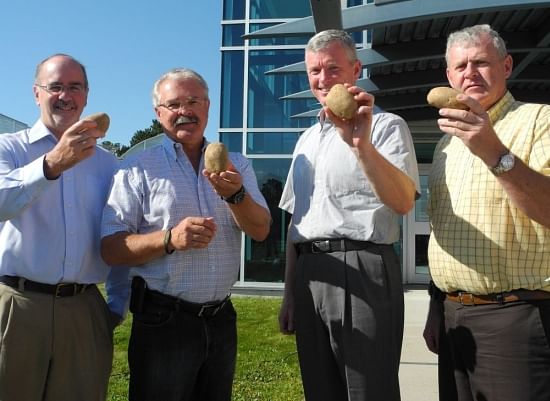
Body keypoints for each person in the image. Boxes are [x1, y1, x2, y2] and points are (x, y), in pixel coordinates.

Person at [100, 67, 271, 401]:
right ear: (158, 113)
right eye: (174, 104)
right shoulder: (136, 168)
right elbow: (111, 247)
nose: (184, 111)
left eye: (193, 101)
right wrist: (169, 239)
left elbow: (261, 229)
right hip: (163, 321)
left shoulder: (237, 164)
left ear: (207, 106)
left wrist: (236, 195)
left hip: (221, 319)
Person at [278, 29, 420, 401]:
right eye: (314, 71)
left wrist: (361, 146)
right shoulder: (306, 140)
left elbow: (404, 202)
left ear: (355, 70)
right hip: (310, 272)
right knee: (319, 388)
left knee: (369, 390)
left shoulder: (387, 127)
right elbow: (297, 222)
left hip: (363, 267)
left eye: (332, 68)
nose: (322, 80)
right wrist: (290, 293)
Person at [423, 24, 550, 401]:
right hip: (453, 319)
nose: (469, 73)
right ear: (449, 76)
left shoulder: (540, 120)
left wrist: (494, 151)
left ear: (507, 65)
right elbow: (441, 230)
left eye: (481, 62)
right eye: (460, 66)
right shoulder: (448, 142)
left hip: (515, 317)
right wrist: (436, 306)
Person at [0, 54, 125, 401]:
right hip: (18, 305)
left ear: (86, 95)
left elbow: (117, 235)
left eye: (74, 87)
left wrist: (114, 304)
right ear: (36, 93)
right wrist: (53, 163)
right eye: (55, 86)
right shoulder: (8, 147)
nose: (65, 96)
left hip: (84, 309)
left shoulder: (109, 164)